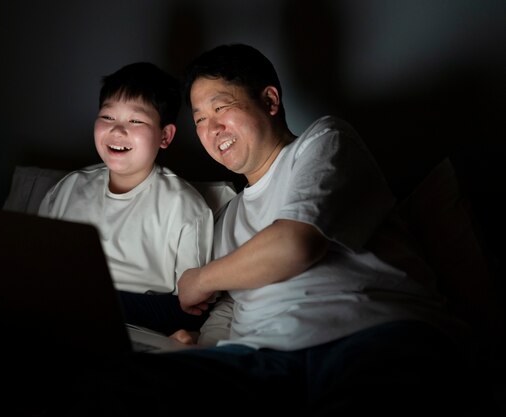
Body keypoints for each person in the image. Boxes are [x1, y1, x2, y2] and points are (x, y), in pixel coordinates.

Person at [60, 44, 489, 416]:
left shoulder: (323, 142)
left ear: (268, 101)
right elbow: (226, 310)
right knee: (111, 388)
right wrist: (199, 344)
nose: (211, 130)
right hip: (262, 363)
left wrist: (197, 280)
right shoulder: (227, 217)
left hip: (371, 337)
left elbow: (295, 243)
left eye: (222, 108)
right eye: (200, 119)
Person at [37, 62, 214, 335]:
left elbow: (190, 310)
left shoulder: (184, 207)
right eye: (107, 117)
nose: (118, 131)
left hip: (134, 329)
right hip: (58, 323)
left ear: (164, 136)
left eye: (136, 121)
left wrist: (97, 304)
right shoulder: (68, 189)